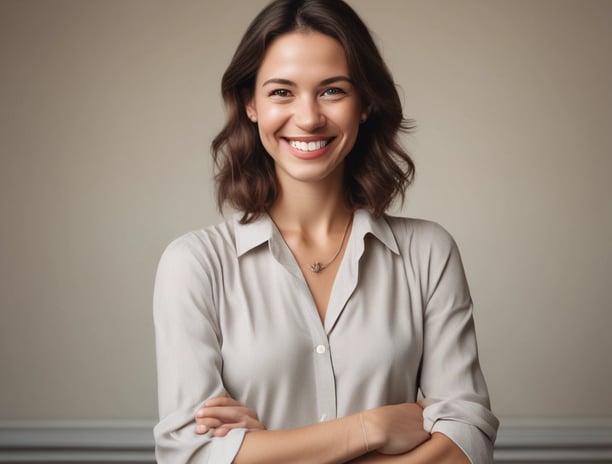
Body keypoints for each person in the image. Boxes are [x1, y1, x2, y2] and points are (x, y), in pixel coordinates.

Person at [153, 0, 499, 462]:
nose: (309, 117)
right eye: (281, 92)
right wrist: (370, 428)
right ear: (250, 104)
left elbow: (468, 439)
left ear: (366, 103)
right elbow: (189, 454)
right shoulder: (194, 265)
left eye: (332, 91)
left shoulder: (429, 252)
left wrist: (265, 450)